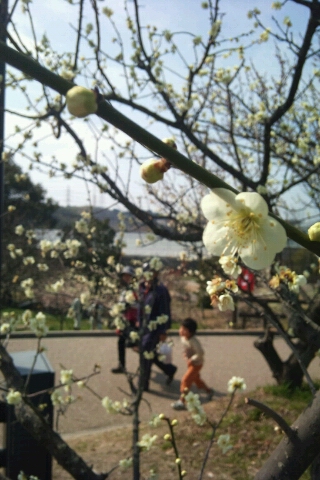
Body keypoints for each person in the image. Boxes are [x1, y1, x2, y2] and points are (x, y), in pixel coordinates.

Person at [139, 261, 177, 391]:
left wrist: (163, 330)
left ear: (156, 273)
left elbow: (165, 310)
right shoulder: (142, 287)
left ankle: (143, 384)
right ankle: (169, 369)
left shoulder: (161, 290)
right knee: (149, 353)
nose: (148, 275)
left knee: (146, 352)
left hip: (155, 329)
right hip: (144, 327)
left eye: (151, 272)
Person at [172, 317, 214, 410]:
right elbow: (187, 348)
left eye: (184, 330)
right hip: (191, 363)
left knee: (185, 380)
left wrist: (193, 358)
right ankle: (209, 391)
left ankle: (182, 401)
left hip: (196, 364)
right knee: (197, 380)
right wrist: (186, 354)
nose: (181, 331)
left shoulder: (194, 341)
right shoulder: (184, 338)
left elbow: (201, 352)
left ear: (190, 332)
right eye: (181, 328)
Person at [111, 266, 138, 374]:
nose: (126, 278)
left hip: (132, 320)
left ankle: (162, 366)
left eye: (129, 276)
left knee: (136, 345)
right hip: (124, 319)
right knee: (121, 342)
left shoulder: (134, 289)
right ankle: (121, 365)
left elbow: (137, 305)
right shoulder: (124, 290)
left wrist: (128, 305)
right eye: (125, 276)